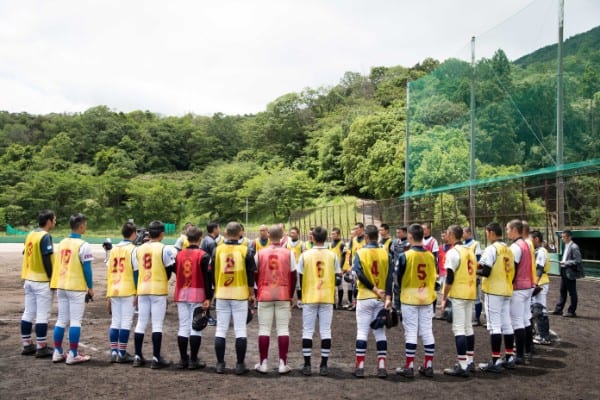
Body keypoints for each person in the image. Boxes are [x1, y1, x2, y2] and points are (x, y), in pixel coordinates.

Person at [297, 226, 341, 376]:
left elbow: (301, 276)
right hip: (327, 297)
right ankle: (323, 365)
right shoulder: (333, 255)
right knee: (325, 331)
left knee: (308, 331)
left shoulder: (305, 255)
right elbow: (337, 278)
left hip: (310, 296)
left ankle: (307, 365)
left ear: (312, 238)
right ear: (326, 238)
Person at [213, 221, 257, 375]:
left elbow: (213, 272)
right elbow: (251, 275)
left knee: (221, 330)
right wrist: (252, 294)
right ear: (240, 233)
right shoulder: (246, 251)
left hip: (222, 294)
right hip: (240, 294)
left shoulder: (217, 250)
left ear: (225, 233)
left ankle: (220, 364)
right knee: (240, 330)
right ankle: (239, 364)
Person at [50, 213, 94, 365]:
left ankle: (57, 352)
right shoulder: (84, 245)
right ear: (81, 226)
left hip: (61, 284)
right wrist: (90, 287)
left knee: (61, 319)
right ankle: (73, 354)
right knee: (75, 321)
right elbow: (87, 270)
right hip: (76, 286)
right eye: (85, 225)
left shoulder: (62, 242)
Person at [132, 220, 176, 369]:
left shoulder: (138, 249)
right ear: (162, 233)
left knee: (141, 322)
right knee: (157, 324)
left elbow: (136, 270)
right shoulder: (164, 248)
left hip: (142, 288)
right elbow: (170, 268)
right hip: (158, 289)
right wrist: (165, 278)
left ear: (148, 233)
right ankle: (156, 358)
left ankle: (137, 356)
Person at [254, 225, 297, 374]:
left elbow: (255, 274)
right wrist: (291, 295)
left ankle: (263, 363)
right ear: (282, 235)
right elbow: (293, 275)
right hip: (283, 293)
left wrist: (256, 292)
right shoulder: (289, 253)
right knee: (283, 329)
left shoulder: (260, 253)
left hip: (264, 294)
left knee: (264, 329)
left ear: (268, 235)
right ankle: (282, 364)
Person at [395, 224, 437, 378]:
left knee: (411, 332)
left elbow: (398, 278)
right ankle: (429, 365)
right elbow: (434, 276)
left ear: (411, 237)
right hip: (426, 297)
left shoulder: (405, 256)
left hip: (409, 298)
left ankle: (409, 366)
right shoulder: (431, 256)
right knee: (427, 331)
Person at [352, 224, 393, 379]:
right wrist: (388, 296)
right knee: (380, 333)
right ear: (378, 237)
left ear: (367, 237)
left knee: (362, 332)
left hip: (365, 296)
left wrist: (373, 288)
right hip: (381, 298)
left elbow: (359, 275)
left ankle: (360, 367)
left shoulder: (360, 253)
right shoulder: (385, 253)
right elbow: (390, 277)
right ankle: (382, 367)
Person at [476, 222, 516, 373]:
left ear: (491, 232)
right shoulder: (508, 249)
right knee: (506, 324)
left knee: (494, 326)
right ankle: (510, 357)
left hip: (494, 290)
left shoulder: (492, 248)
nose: (486, 234)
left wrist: (473, 272)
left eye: (487, 232)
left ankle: (495, 360)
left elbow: (486, 271)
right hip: (506, 288)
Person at [173, 226, 212, 369]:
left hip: (182, 292)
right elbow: (208, 279)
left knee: (183, 326)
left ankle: (183, 359)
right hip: (198, 293)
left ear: (187, 239)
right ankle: (193, 360)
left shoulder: (179, 255)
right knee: (196, 327)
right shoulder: (203, 255)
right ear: (200, 239)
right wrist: (209, 297)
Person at [441, 225, 477, 377]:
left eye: (447, 233)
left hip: (459, 293)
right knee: (468, 327)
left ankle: (462, 365)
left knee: (459, 329)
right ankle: (469, 361)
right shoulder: (470, 251)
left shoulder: (453, 252)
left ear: (451, 235)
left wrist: (443, 297)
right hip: (470, 292)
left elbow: (449, 278)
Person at [20, 209, 57, 358]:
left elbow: (25, 253)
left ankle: (27, 345)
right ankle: (41, 347)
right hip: (42, 280)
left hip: (28, 278)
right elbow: (46, 259)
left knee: (28, 312)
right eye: (54, 220)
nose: (55, 222)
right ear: (48, 221)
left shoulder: (30, 234)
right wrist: (51, 279)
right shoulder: (45, 236)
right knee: (42, 314)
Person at [106, 221, 138, 364]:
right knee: (126, 321)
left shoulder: (113, 249)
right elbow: (136, 272)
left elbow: (108, 270)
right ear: (133, 233)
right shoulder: (133, 249)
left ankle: (114, 351)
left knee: (115, 321)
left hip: (114, 287)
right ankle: (122, 353)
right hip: (128, 288)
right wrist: (138, 290)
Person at [506, 219, 535, 365]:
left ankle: (520, 355)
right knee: (525, 319)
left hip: (519, 287)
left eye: (508, 229)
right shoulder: (526, 244)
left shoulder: (516, 246)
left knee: (517, 321)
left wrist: (508, 285)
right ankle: (528, 351)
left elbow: (513, 269)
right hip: (528, 286)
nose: (507, 232)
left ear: (514, 230)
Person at [553, 229, 583, 317]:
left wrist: (565, 263)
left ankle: (572, 311)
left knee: (572, 292)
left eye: (564, 237)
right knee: (562, 291)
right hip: (564, 271)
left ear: (569, 237)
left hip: (570, 272)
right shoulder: (566, 245)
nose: (562, 239)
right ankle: (559, 309)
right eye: (562, 237)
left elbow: (578, 260)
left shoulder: (574, 247)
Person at [531, 230, 552, 345]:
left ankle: (545, 336)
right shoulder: (536, 251)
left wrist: (535, 283)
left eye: (531, 239)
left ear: (536, 239)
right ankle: (539, 333)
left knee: (540, 309)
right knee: (534, 308)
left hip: (541, 282)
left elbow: (539, 268)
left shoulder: (541, 251)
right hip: (539, 282)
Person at [463, 226, 483, 326]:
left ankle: (477, 318)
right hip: (464, 275)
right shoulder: (462, 245)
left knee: (476, 297)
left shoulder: (475, 244)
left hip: (473, 275)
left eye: (464, 233)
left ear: (469, 233)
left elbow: (479, 260)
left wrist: (476, 275)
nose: (462, 235)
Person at [347, 223, 366, 311]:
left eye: (357, 228)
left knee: (364, 285)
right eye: (354, 228)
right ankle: (355, 304)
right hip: (355, 266)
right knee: (355, 286)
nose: (355, 230)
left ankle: (363, 304)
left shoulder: (366, 239)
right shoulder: (353, 240)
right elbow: (350, 253)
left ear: (362, 228)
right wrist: (350, 265)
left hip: (365, 266)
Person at [286, 227, 305, 309]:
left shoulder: (301, 244)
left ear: (298, 234)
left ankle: (300, 300)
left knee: (299, 284)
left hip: (299, 267)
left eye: (293, 233)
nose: (292, 234)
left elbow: (304, 255)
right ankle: (289, 300)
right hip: (289, 266)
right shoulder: (287, 243)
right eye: (291, 233)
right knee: (289, 283)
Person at [391, 226, 409, 311]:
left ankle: (404, 307)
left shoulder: (408, 243)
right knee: (396, 288)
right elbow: (391, 253)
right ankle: (397, 307)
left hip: (405, 270)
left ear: (405, 233)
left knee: (404, 289)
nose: (397, 234)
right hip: (396, 270)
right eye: (397, 232)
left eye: (399, 232)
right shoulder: (394, 242)